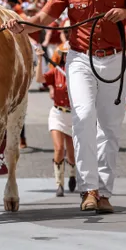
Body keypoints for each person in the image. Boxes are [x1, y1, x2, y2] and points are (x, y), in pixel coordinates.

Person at [4, 0, 126, 213]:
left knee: (110, 128)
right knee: (83, 118)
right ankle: (89, 189)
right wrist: (22, 25)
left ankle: (105, 192)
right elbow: (43, 19)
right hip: (80, 59)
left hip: (114, 60)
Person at [35, 43, 76, 197]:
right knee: (59, 148)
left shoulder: (79, 73)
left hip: (73, 115)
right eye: (65, 54)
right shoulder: (56, 72)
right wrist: (40, 60)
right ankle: (59, 183)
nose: (68, 56)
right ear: (62, 56)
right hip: (58, 113)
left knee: (71, 154)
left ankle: (72, 173)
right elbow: (39, 79)